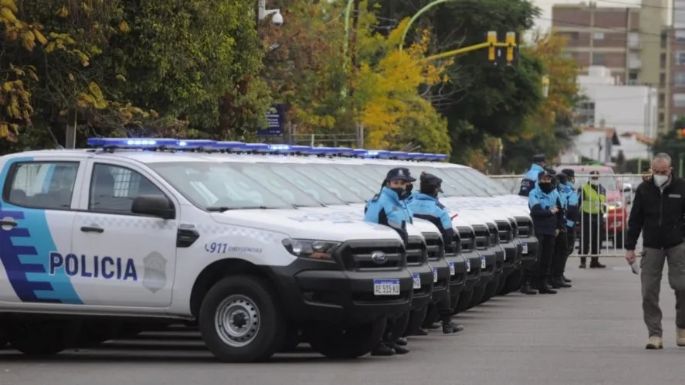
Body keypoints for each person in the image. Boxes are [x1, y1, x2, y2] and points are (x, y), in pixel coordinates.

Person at [625, 154, 685, 350]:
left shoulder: (681, 187)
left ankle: (682, 329)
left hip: (677, 245)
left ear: (671, 169)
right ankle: (654, 334)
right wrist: (630, 247)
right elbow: (635, 219)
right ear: (652, 170)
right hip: (652, 245)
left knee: (682, 286)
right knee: (649, 291)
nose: (659, 175)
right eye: (656, 172)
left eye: (663, 171)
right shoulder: (644, 189)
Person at [364, 167, 415, 356]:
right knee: (386, 301)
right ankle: (378, 341)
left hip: (400, 255)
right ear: (388, 183)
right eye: (396, 183)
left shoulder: (402, 202)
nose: (401, 186)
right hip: (385, 258)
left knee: (400, 301)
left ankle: (391, 339)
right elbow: (370, 228)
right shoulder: (380, 201)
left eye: (404, 183)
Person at [408, 172, 464, 334]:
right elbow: (448, 236)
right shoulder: (439, 210)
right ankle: (447, 323)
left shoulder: (407, 203)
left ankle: (414, 325)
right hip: (432, 256)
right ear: (435, 191)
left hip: (410, 255)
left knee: (415, 289)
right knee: (442, 287)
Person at [528, 169, 563, 295]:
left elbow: (560, 211)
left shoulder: (555, 193)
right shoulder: (533, 193)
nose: (546, 181)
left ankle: (543, 284)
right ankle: (529, 283)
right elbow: (536, 211)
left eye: (548, 179)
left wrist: (559, 227)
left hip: (551, 229)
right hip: (538, 228)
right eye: (544, 179)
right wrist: (549, 211)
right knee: (537, 257)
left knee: (547, 257)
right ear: (539, 180)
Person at [549, 169, 578, 288]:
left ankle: (556, 275)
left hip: (556, 224)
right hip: (566, 225)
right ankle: (557, 276)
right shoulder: (569, 190)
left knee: (555, 252)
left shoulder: (553, 189)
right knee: (563, 251)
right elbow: (572, 208)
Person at [578, 170, 606, 268]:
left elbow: (603, 202)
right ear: (590, 178)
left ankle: (594, 261)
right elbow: (578, 203)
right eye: (593, 177)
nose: (595, 179)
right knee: (585, 239)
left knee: (597, 240)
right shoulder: (584, 188)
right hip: (586, 215)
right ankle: (583, 261)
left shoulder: (602, 189)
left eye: (597, 177)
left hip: (598, 216)